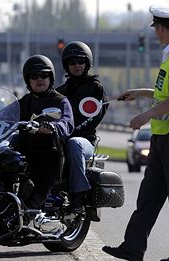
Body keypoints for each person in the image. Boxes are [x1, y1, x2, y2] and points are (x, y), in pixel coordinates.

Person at [102, 5, 169, 261]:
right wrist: (141, 92)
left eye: (155, 29)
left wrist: (145, 116)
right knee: (150, 194)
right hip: (165, 135)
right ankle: (133, 247)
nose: (155, 34)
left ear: (159, 28)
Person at [56, 41, 108, 213]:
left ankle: (78, 197)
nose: (77, 65)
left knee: (74, 143)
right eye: (72, 62)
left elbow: (93, 118)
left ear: (87, 63)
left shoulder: (95, 88)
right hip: (59, 138)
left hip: (84, 141)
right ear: (66, 65)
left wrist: (68, 133)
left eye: (81, 61)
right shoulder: (60, 91)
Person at [16, 54, 75, 209]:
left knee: (48, 149)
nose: (39, 79)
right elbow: (1, 116)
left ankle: (38, 198)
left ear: (51, 77)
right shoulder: (23, 102)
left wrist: (54, 127)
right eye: (34, 76)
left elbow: (67, 122)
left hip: (48, 151)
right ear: (28, 80)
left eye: (44, 75)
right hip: (25, 149)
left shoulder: (60, 100)